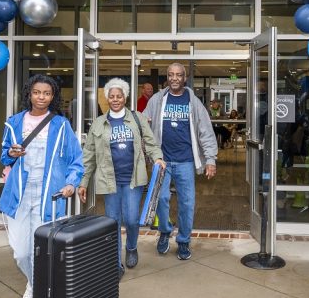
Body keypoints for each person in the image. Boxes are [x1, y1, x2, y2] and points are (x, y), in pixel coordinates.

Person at [0, 74, 83, 298]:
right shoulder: (14, 122)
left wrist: (71, 182)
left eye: (47, 93)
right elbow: (3, 153)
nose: (41, 97)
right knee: (21, 253)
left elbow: (75, 159)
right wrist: (10, 154)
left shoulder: (60, 125)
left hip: (49, 195)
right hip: (20, 194)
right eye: (37, 92)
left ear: (53, 96)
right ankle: (33, 283)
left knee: (42, 252)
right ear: (29, 94)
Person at [79, 78, 165, 277]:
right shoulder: (99, 123)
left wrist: (158, 158)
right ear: (107, 98)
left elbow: (151, 143)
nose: (115, 99)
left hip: (133, 179)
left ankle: (132, 247)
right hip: (109, 181)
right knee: (113, 221)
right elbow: (89, 155)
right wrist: (83, 182)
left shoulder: (137, 119)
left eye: (119, 96)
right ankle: (116, 262)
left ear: (125, 97)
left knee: (132, 219)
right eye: (112, 96)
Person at [143, 63, 218, 260]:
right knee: (161, 199)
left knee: (187, 203)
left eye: (179, 75)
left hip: (185, 161)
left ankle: (184, 241)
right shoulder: (157, 100)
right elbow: (143, 125)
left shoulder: (193, 102)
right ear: (167, 77)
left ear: (185, 78)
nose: (175, 78)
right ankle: (165, 231)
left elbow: (206, 132)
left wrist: (210, 159)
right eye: (171, 75)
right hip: (162, 161)